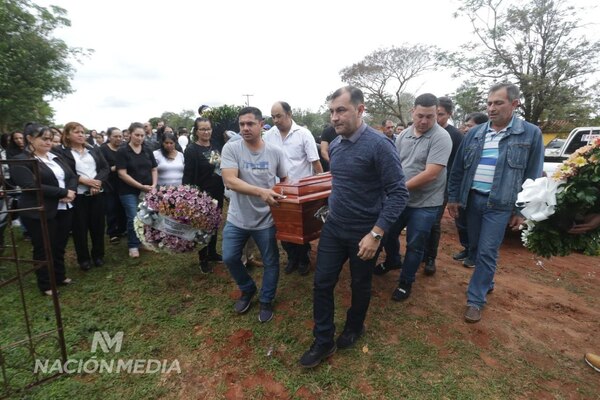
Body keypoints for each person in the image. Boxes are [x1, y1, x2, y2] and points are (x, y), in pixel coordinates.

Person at [299, 86, 408, 368]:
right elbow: (343, 183)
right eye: (332, 111)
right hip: (334, 228)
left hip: (365, 232)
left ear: (360, 110)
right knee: (322, 283)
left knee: (361, 284)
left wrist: (376, 233)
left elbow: (398, 193)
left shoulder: (380, 146)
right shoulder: (335, 145)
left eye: (341, 110)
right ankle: (323, 340)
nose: (334, 118)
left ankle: (355, 326)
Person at [447, 82, 544, 323]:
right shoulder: (476, 133)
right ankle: (487, 280)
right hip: (472, 201)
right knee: (476, 248)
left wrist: (521, 209)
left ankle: (475, 300)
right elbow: (458, 168)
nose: (491, 108)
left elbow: (533, 174)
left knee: (488, 251)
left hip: (500, 205)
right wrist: (454, 198)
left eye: (498, 103)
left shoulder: (530, 133)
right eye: (489, 103)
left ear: (514, 104)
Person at [376, 94, 451, 301]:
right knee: (388, 233)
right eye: (420, 116)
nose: (424, 121)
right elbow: (395, 164)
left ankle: (406, 281)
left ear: (436, 114)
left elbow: (431, 173)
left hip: (426, 203)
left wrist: (397, 188)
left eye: (430, 116)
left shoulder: (441, 137)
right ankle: (392, 260)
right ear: (412, 112)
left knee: (415, 243)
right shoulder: (403, 136)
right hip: (401, 200)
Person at [220, 107, 287, 323]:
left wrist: (280, 200)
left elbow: (285, 180)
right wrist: (261, 191)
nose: (245, 128)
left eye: (250, 123)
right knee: (229, 257)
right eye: (241, 124)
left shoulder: (275, 152)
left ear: (261, 124)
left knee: (271, 261)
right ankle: (247, 289)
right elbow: (230, 180)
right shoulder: (232, 149)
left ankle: (266, 300)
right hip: (237, 217)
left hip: (266, 219)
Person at [10, 124, 77, 296]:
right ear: (30, 139)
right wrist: (62, 192)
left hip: (64, 207)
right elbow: (30, 185)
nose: (48, 142)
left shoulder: (55, 156)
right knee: (44, 247)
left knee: (59, 244)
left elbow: (71, 176)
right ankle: (46, 283)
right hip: (39, 211)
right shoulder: (20, 160)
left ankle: (59, 276)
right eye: (44, 138)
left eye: (50, 138)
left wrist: (71, 191)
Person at [264, 101, 323, 276]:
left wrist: (322, 185)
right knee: (282, 227)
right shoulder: (269, 135)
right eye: (273, 116)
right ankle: (292, 258)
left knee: (300, 227)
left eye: (279, 116)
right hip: (278, 189)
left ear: (289, 114)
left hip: (300, 190)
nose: (275, 120)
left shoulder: (304, 134)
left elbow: (315, 161)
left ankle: (303, 258)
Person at [421, 96, 465, 275]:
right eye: (434, 114)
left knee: (433, 223)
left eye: (440, 115)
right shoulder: (424, 132)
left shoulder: (455, 136)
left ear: (449, 115)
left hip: (442, 186)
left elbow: (458, 165)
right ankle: (419, 252)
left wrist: (452, 192)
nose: (436, 119)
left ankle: (430, 257)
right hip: (420, 183)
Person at [57, 121, 109, 270]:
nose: (81, 135)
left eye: (82, 132)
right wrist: (85, 181)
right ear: (67, 135)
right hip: (78, 195)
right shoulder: (62, 152)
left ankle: (98, 255)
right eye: (76, 132)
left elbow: (105, 168)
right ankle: (83, 259)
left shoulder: (93, 149)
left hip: (97, 193)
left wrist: (97, 182)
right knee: (80, 228)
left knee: (98, 226)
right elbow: (67, 172)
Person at [183, 117, 225, 273]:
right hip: (201, 195)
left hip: (217, 192)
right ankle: (203, 258)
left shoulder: (215, 146)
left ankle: (212, 252)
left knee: (214, 224)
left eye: (208, 128)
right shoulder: (192, 150)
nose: (206, 132)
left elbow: (219, 167)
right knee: (202, 227)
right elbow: (187, 175)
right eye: (202, 129)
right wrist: (188, 196)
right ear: (196, 131)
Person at [452, 112, 490, 266]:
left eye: (470, 126)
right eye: (466, 126)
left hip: (478, 193)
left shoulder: (487, 143)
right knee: (461, 222)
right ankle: (467, 248)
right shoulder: (466, 141)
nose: (466, 129)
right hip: (463, 191)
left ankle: (474, 255)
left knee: (476, 228)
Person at [116, 122, 158, 258]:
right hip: (128, 190)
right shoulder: (123, 151)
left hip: (147, 188)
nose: (139, 138)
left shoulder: (147, 149)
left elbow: (154, 168)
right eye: (137, 135)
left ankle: (143, 241)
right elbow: (122, 173)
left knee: (146, 215)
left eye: (142, 135)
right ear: (129, 134)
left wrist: (154, 185)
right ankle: (133, 245)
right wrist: (140, 186)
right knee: (133, 217)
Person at [100, 127, 127, 244]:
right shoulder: (103, 149)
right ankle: (112, 232)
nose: (118, 139)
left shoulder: (124, 148)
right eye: (115, 136)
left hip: (123, 182)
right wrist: (115, 168)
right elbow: (101, 168)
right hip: (109, 183)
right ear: (109, 137)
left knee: (122, 207)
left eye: (120, 136)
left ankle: (122, 229)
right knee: (111, 208)